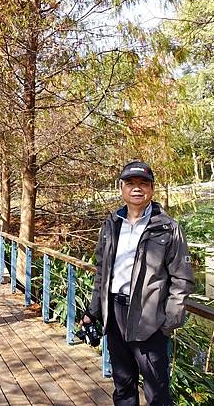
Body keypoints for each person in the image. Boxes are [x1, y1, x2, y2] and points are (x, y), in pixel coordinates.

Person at [81, 161, 195, 406]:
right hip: (114, 313)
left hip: (149, 319)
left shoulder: (167, 228)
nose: (137, 189)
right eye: (130, 183)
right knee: (123, 386)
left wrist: (169, 322)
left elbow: (182, 278)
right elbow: (102, 271)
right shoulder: (111, 225)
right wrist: (93, 311)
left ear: (152, 190)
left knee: (157, 391)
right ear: (121, 188)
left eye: (143, 184)